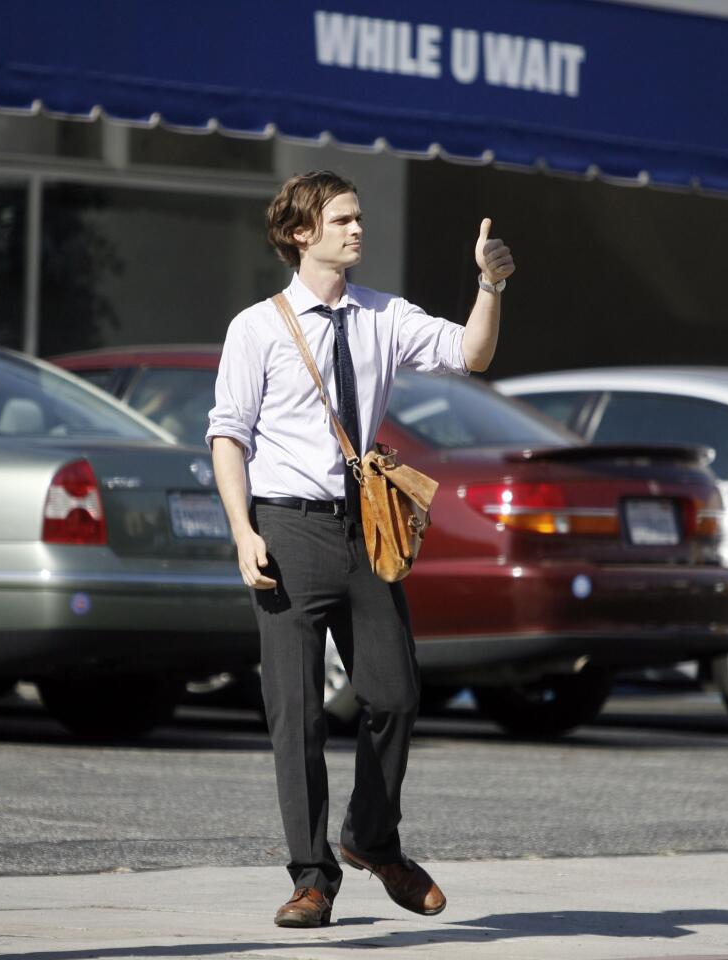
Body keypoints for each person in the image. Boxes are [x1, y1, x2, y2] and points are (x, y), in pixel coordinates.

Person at [206, 170, 514, 928]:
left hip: (364, 528)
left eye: (358, 218)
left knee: (396, 693)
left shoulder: (383, 314)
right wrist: (243, 531)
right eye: (341, 219)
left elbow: (471, 354)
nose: (356, 230)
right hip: (286, 527)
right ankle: (311, 877)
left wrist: (490, 286)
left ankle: (371, 838)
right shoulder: (257, 327)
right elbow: (227, 435)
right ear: (301, 233)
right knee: (296, 712)